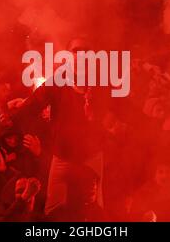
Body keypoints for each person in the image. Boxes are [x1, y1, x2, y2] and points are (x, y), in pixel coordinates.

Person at [12, 37, 109, 215]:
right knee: (53, 208)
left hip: (91, 155)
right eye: (76, 50)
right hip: (63, 156)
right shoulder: (58, 81)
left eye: (85, 51)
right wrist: (12, 114)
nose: (81, 54)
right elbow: (34, 104)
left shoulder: (102, 83)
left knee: (94, 207)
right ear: (68, 56)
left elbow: (114, 115)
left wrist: (96, 115)